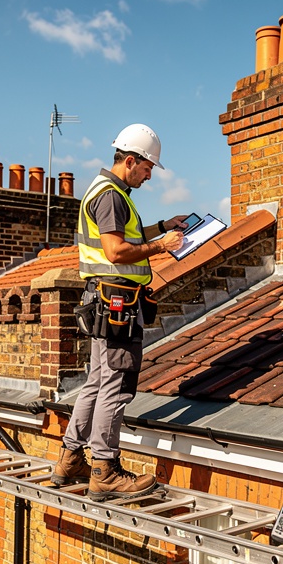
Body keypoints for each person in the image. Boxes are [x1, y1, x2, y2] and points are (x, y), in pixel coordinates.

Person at [53, 123, 188, 501]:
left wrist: (162, 226)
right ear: (131, 160)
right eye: (147, 168)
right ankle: (105, 470)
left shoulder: (104, 191)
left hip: (103, 299)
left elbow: (121, 238)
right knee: (115, 383)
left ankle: (70, 459)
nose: (149, 176)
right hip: (117, 305)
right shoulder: (112, 195)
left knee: (96, 381)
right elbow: (115, 252)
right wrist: (162, 246)